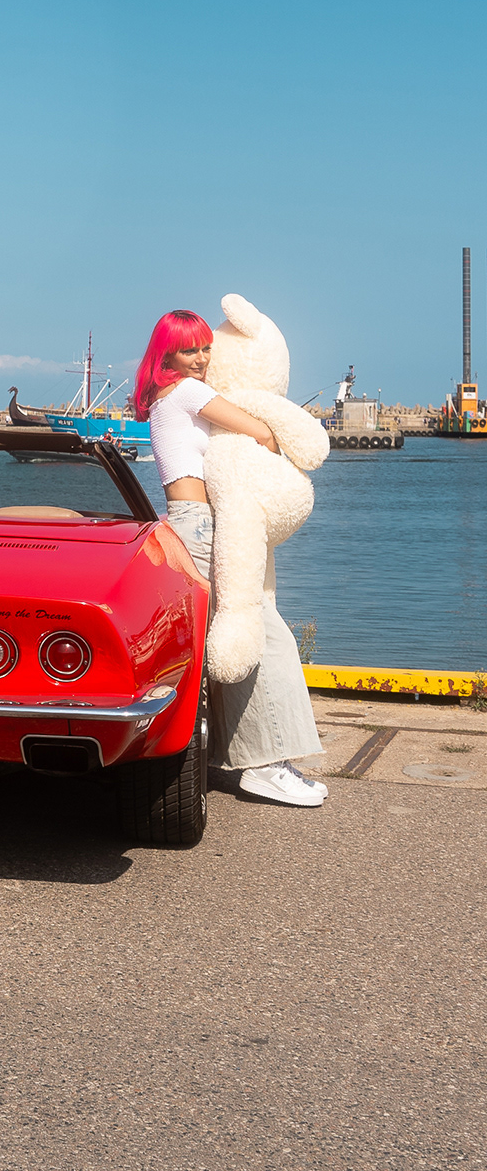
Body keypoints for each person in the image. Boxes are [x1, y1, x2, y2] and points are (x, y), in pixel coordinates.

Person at [135, 309, 328, 809]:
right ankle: (267, 766)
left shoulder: (164, 397)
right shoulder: (188, 392)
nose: (201, 359)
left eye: (206, 348)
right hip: (200, 525)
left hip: (187, 521)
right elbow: (261, 431)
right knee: (261, 633)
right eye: (189, 350)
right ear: (167, 355)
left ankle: (225, 754)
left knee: (214, 640)